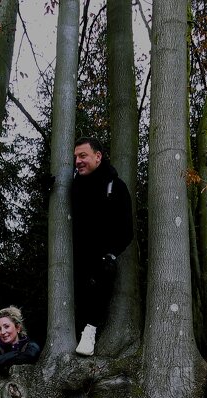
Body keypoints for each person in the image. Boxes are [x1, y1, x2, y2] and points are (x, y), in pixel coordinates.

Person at [71, 137, 134, 356]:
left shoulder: (114, 187)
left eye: (83, 156)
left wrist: (110, 253)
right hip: (73, 258)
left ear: (98, 157)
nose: (78, 161)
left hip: (100, 260)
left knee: (97, 287)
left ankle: (90, 332)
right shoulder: (73, 185)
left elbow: (127, 231)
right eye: (75, 157)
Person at [0, 306, 40, 374]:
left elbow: (30, 356)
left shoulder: (31, 345)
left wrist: (0, 358)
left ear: (18, 328)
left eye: (6, 326)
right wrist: (17, 355)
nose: (2, 332)